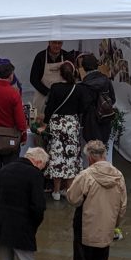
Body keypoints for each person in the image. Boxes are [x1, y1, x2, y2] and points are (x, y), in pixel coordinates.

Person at [66, 141, 127, 260]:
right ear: (104, 155)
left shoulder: (86, 175)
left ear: (90, 157)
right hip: (106, 227)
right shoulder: (118, 176)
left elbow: (72, 198)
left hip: (86, 227)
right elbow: (123, 206)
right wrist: (115, 224)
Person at [39, 62, 84, 200]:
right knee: (71, 157)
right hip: (72, 124)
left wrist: (45, 124)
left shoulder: (55, 87)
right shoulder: (79, 89)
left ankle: (56, 191)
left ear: (60, 74)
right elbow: (81, 108)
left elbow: (49, 108)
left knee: (57, 156)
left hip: (57, 124)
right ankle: (68, 190)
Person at [0, 62, 29, 181]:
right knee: (11, 170)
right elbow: (20, 119)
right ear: (11, 75)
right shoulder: (14, 93)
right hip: (11, 138)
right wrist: (23, 135)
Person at [77, 53, 116, 147]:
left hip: (90, 121)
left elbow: (82, 106)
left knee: (92, 150)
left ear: (84, 68)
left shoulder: (84, 85)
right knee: (102, 148)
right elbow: (113, 99)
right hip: (105, 119)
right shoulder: (106, 80)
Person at [30, 40, 72, 112]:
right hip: (43, 96)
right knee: (41, 119)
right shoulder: (40, 56)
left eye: (59, 43)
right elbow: (33, 79)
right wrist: (48, 93)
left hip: (61, 97)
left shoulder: (66, 56)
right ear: (49, 42)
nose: (57, 46)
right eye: (54, 43)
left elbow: (71, 77)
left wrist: (62, 92)